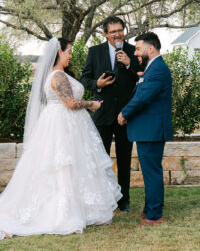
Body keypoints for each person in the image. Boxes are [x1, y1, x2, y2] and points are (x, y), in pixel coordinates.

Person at [0, 37, 122, 240]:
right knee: (64, 165)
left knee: (71, 166)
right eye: (69, 52)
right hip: (63, 125)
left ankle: (78, 208)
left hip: (64, 123)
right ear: (59, 52)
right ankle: (62, 212)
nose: (70, 55)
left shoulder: (57, 74)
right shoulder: (58, 76)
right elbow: (71, 103)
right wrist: (94, 104)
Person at [81, 16, 142, 212]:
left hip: (125, 114)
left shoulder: (134, 51)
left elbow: (141, 77)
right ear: (105, 34)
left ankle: (124, 200)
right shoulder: (95, 52)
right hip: (102, 113)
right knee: (101, 159)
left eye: (120, 30)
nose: (117, 34)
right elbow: (84, 79)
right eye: (113, 31)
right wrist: (96, 85)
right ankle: (104, 199)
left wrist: (127, 64)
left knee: (124, 159)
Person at [118, 32, 173, 226]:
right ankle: (149, 208)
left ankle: (155, 215)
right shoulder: (151, 68)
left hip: (152, 130)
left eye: (138, 48)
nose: (136, 53)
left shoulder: (158, 69)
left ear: (151, 48)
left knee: (152, 172)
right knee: (150, 171)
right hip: (147, 129)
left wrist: (124, 113)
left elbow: (144, 98)